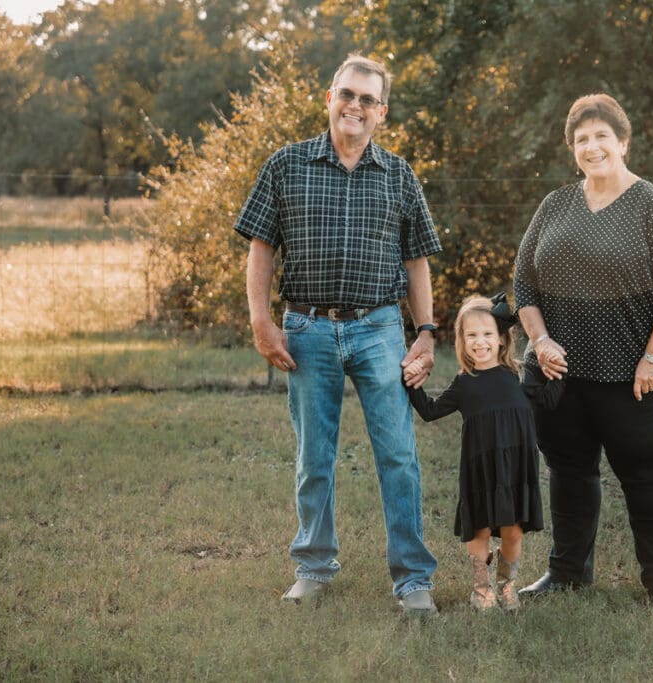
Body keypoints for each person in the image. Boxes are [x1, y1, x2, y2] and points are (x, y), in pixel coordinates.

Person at [234, 54, 441, 616]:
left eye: (367, 99)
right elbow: (260, 248)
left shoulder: (398, 175)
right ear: (329, 98)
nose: (355, 106)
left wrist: (424, 331)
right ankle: (314, 567)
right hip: (307, 328)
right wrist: (261, 320)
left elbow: (417, 260)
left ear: (382, 112)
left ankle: (412, 578)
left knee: (397, 453)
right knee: (314, 455)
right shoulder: (286, 164)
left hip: (379, 329)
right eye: (346, 94)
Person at [513, 93, 653, 611]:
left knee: (648, 476)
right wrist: (540, 339)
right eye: (581, 139)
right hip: (560, 375)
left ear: (622, 141)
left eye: (601, 136)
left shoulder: (652, 206)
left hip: (636, 375)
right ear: (572, 148)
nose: (591, 147)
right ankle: (567, 573)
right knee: (569, 472)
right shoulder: (556, 204)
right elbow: (523, 282)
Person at [404, 294, 544, 612]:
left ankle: (508, 584)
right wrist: (410, 379)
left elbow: (550, 399)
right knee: (479, 527)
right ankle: (482, 587)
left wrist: (559, 366)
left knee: (513, 531)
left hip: (516, 467)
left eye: (487, 334)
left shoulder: (520, 376)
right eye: (471, 335)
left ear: (501, 338)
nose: (479, 342)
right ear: (461, 340)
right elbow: (429, 410)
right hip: (479, 468)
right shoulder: (465, 384)